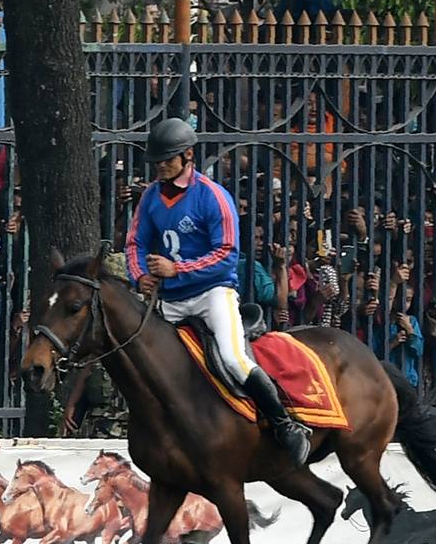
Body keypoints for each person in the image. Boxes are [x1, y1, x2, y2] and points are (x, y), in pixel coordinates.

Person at [126, 117, 312, 467]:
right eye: (158, 161)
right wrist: (140, 277)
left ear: (188, 156)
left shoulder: (213, 196)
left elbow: (226, 255)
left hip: (213, 294)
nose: (161, 167)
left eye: (168, 160)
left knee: (233, 360)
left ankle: (287, 425)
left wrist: (176, 269)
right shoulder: (151, 197)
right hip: (168, 298)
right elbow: (135, 242)